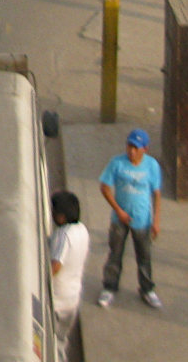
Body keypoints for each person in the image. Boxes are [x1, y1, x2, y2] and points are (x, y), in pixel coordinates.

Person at [97, 128, 163, 310]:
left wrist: (156, 221)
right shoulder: (117, 163)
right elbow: (104, 187)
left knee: (144, 256)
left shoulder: (152, 166)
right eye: (129, 146)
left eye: (136, 148)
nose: (131, 151)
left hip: (142, 220)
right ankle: (109, 287)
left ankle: (147, 289)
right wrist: (118, 210)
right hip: (120, 219)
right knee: (115, 254)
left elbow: (156, 194)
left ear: (145, 149)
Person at [49, 190, 91, 337]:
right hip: (73, 298)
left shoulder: (64, 235)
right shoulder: (82, 230)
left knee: (52, 337)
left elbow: (55, 266)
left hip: (58, 300)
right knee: (61, 340)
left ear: (61, 216)